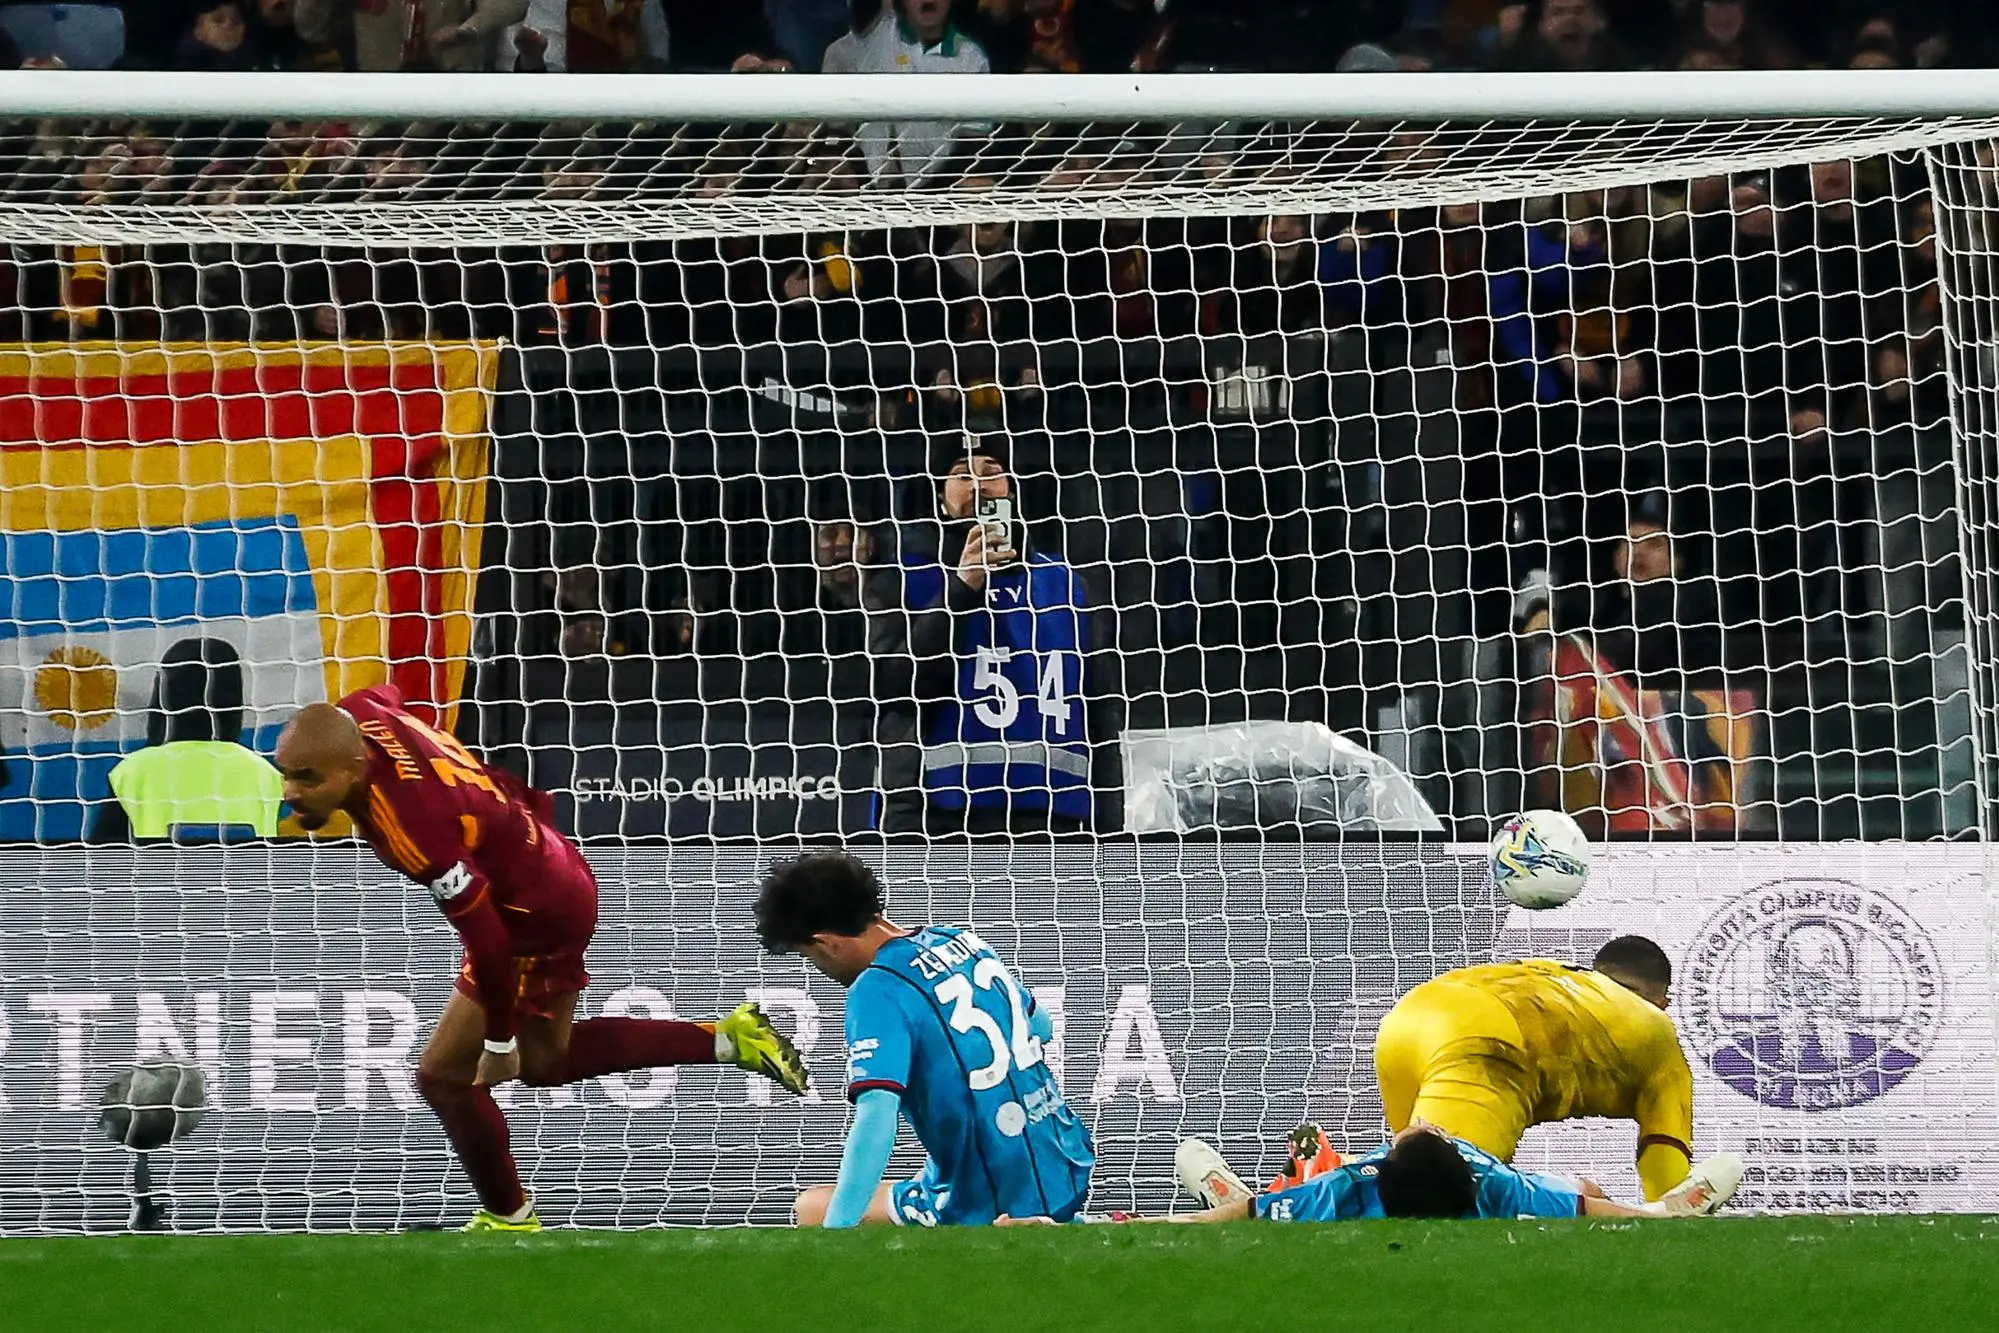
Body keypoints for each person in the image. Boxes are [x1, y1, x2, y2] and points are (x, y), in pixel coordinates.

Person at [274, 687, 808, 1232]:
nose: (292, 793)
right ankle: (730, 1039)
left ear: (356, 765)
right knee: (547, 1062)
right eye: (286, 775)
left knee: (445, 1076)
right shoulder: (361, 711)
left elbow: (490, 943)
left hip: (532, 912)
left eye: (309, 778)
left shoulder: (413, 828)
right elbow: (388, 694)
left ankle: (509, 1216)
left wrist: (498, 1042)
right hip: (548, 860)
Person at [753, 851, 1095, 1227]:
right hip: (1068, 1159)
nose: (821, 969)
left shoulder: (876, 988)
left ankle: (1022, 1224)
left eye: (810, 957)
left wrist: (836, 1236)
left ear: (826, 943)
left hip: (991, 1193)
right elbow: (1042, 1026)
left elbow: (876, 1116)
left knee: (812, 1210)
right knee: (916, 1179)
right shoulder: (960, 940)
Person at [868, 435, 1120, 835]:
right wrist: (961, 588)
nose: (977, 485)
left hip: (1056, 820)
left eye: (991, 473)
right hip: (938, 818)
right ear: (941, 497)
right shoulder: (904, 580)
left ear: (1011, 491)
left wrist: (1110, 829)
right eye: (961, 475)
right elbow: (892, 687)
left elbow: (1101, 713)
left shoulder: (1068, 585)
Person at [1372, 938, 1697, 1201]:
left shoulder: (1566, 980)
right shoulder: (1658, 1029)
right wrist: (1668, 1215)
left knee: (1404, 1179)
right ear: (1663, 1004)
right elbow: (1666, 1161)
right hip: (1485, 1034)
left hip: (1410, 1017)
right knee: (1445, 1195)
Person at [1079, 1122, 1742, 1225]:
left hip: (1321, 1184)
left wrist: (1155, 1222)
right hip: (1507, 1188)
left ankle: (1235, 1181)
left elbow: (1247, 1218)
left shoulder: (1351, 1187)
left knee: (1306, 1149)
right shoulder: (1496, 1187)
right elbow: (1597, 1211)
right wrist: (1661, 1213)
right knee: (1586, 1190)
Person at [94, 638, 284, 843]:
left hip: (157, 866)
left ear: (163, 693)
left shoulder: (132, 772)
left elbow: (102, 856)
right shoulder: (267, 774)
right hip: (245, 866)